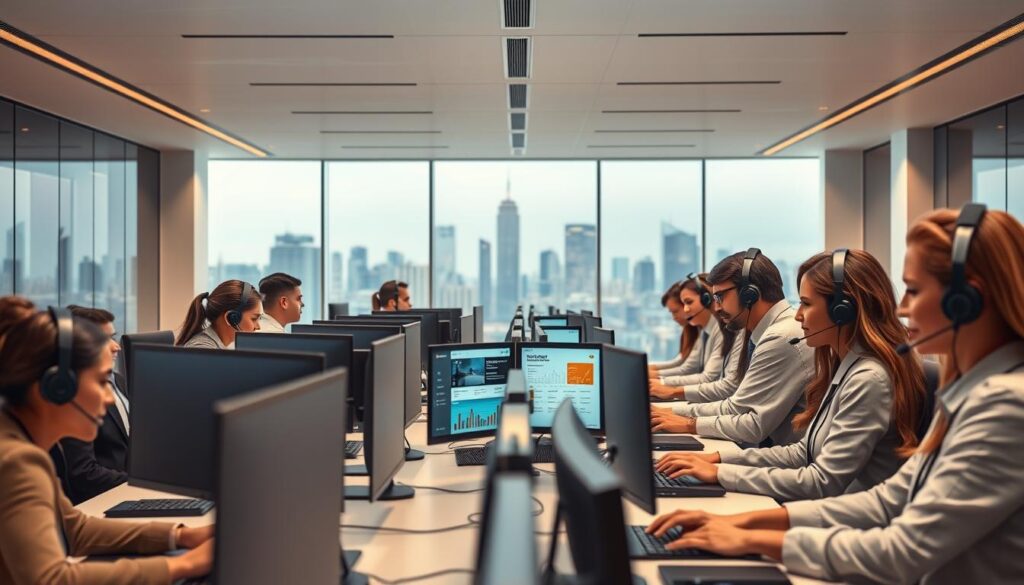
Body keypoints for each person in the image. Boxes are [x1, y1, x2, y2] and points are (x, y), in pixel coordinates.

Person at [646, 205, 1024, 584]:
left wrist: (754, 538)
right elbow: (889, 498)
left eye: (913, 290)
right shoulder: (965, 391)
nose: (905, 308)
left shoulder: (1004, 406)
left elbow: (903, 550)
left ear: (965, 301)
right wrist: (741, 521)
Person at [655, 249, 927, 501]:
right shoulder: (844, 365)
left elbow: (821, 481)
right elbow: (802, 452)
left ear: (842, 310)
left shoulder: (867, 378)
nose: (798, 316)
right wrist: (717, 461)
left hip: (839, 519)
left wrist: (719, 472)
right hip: (822, 507)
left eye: (806, 304)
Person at [0, 307, 212, 583]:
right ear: (58, 387)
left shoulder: (25, 443)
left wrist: (181, 535)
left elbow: (77, 530)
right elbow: (51, 579)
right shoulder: (16, 461)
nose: (110, 398)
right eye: (101, 381)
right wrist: (181, 566)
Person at [650, 249, 814, 447]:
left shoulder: (781, 337)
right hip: (769, 451)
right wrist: (675, 414)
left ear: (750, 294)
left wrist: (687, 422)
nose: (716, 308)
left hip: (780, 459)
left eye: (720, 297)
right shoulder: (764, 332)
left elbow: (750, 422)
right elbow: (738, 406)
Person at [49, 306, 131, 504]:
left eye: (114, 337)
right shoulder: (21, 465)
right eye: (104, 340)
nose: (116, 347)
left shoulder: (119, 381)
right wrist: (138, 483)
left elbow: (74, 524)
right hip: (101, 499)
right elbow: (83, 472)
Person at [649, 273, 740, 403]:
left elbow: (709, 378)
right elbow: (688, 366)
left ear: (706, 300)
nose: (685, 310)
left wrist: (663, 383)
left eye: (689, 302)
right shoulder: (705, 331)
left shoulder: (722, 330)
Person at [175, 280, 263, 349]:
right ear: (232, 318)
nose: (258, 326)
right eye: (254, 318)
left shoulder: (222, 347)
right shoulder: (202, 349)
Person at [647, 281, 697, 376]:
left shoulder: (701, 331)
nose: (674, 317)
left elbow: (688, 369)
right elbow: (680, 361)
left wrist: (652, 374)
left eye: (675, 311)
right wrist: (648, 368)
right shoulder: (688, 330)